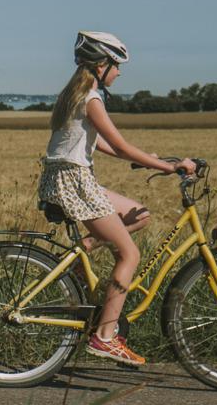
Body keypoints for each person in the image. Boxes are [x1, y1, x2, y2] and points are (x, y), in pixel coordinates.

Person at [42, 31, 196, 365]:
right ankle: (105, 337)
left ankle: (82, 254)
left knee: (139, 215)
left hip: (68, 179)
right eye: (116, 65)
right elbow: (122, 145)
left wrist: (152, 160)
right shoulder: (91, 98)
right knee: (130, 253)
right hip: (75, 182)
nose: (119, 72)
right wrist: (169, 167)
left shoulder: (74, 94)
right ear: (101, 65)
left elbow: (94, 142)